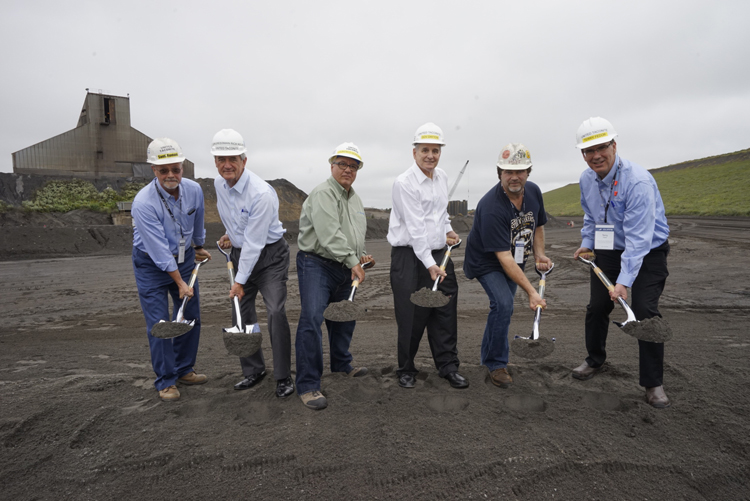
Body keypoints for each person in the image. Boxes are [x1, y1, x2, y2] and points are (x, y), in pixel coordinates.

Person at [571, 117, 671, 408]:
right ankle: (594, 360)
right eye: (589, 151)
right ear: (583, 154)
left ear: (614, 146)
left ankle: (653, 382)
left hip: (648, 251)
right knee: (597, 306)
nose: (596, 155)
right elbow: (591, 216)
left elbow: (639, 240)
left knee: (645, 311)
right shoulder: (586, 179)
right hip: (609, 250)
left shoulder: (637, 181)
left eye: (602, 147)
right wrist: (587, 243)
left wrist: (624, 282)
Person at [212, 129, 294, 398]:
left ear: (244, 161)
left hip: (270, 258)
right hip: (241, 253)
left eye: (233, 159)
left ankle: (283, 376)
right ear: (215, 161)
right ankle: (254, 370)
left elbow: (255, 243)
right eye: (221, 159)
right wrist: (231, 234)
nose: (227, 165)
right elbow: (233, 217)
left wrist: (239, 282)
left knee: (275, 311)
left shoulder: (261, 194)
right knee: (240, 312)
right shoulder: (219, 184)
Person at [463, 143, 552, 388]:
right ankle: (496, 364)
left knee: (503, 308)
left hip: (515, 258)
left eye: (520, 171)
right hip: (486, 260)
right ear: (499, 173)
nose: (514, 177)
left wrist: (540, 254)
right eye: (508, 171)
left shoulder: (533, 191)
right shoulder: (491, 207)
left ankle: (487, 358)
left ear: (528, 172)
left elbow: (538, 225)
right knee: (503, 304)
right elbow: (503, 258)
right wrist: (532, 292)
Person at [387, 122, 468, 390]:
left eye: (435, 150)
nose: (430, 156)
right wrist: (430, 264)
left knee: (444, 311)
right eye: (425, 150)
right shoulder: (404, 183)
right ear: (414, 152)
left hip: (438, 254)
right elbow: (416, 227)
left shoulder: (441, 177)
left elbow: (439, 213)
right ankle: (406, 368)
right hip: (409, 257)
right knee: (411, 314)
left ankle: (448, 367)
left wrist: (448, 230)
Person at [294, 142, 374, 410]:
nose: (348, 169)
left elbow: (354, 233)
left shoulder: (356, 199)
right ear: (332, 166)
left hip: (345, 265)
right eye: (342, 164)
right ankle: (308, 384)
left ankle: (341, 364)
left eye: (353, 166)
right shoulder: (323, 194)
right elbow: (329, 234)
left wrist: (361, 256)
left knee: (344, 316)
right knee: (312, 318)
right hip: (317, 263)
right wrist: (353, 261)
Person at [131, 138, 211, 402]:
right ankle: (166, 380)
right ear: (153, 170)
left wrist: (198, 246)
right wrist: (180, 283)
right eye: (163, 170)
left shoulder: (194, 190)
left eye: (175, 169)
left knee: (190, 314)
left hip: (184, 258)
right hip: (150, 263)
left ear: (182, 167)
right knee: (161, 324)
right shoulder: (144, 203)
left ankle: (184, 369)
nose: (170, 175)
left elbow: (197, 220)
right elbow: (159, 252)